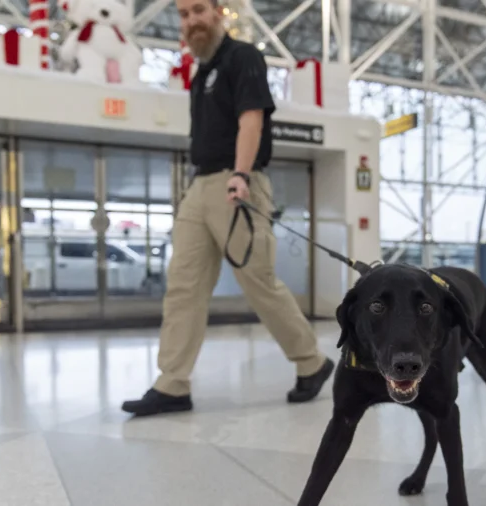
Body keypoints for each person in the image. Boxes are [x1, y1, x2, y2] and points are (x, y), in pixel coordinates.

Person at [121, 0, 334, 417]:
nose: (191, 21)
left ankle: (312, 362)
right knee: (183, 285)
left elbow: (251, 120)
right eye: (183, 15)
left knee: (259, 282)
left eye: (198, 10)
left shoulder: (243, 58)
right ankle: (172, 383)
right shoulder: (201, 74)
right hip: (200, 186)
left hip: (237, 183)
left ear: (219, 12)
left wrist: (241, 174)